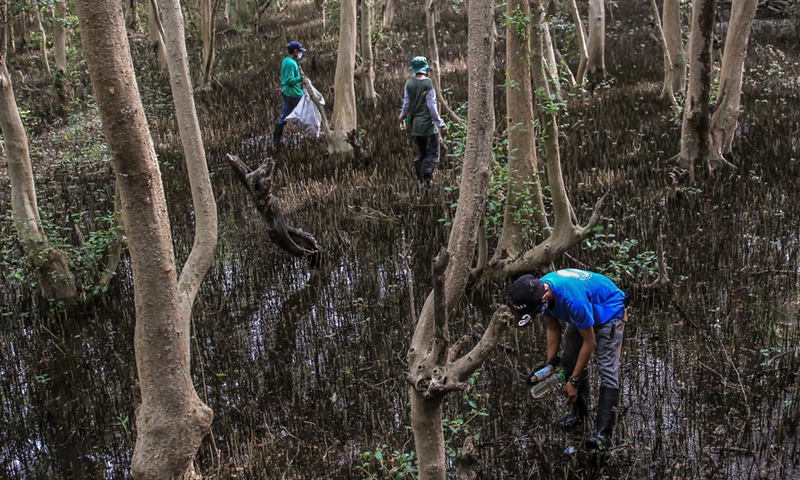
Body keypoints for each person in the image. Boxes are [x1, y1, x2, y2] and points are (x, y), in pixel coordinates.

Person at [509, 268, 628, 450]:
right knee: (568, 359)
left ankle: (603, 435)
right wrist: (549, 364)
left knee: (607, 369)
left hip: (608, 311)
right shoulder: (541, 290)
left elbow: (589, 343)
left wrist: (573, 380)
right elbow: (553, 328)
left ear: (544, 297)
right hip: (585, 310)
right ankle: (579, 413)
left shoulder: (573, 301)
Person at [398, 56, 446, 188]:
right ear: (425, 69)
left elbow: (406, 103)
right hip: (428, 125)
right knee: (434, 154)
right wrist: (440, 123)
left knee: (423, 153)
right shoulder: (428, 83)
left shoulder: (409, 84)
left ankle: (424, 181)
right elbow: (432, 106)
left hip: (415, 125)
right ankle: (425, 174)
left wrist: (401, 116)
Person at [272, 41, 307, 146]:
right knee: (307, 110)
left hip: (286, 92)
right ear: (295, 51)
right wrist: (301, 78)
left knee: (285, 116)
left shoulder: (286, 61)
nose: (300, 53)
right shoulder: (291, 63)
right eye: (300, 51)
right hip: (294, 93)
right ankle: (313, 133)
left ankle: (276, 139)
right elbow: (289, 80)